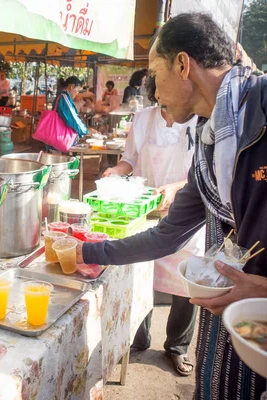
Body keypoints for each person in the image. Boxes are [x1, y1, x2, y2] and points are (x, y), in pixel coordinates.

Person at [77, 13, 267, 399]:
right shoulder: (208, 146)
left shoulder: (261, 110)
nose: (154, 89)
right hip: (240, 329)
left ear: (182, 65)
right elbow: (166, 236)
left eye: (155, 74)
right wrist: (85, 250)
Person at [103, 76, 203, 376]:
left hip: (187, 214)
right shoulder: (143, 118)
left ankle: (177, 347)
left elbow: (205, 171)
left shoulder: (201, 120)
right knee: (142, 274)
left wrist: (175, 188)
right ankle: (138, 338)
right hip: (144, 212)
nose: (165, 100)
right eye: (159, 92)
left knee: (187, 283)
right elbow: (129, 161)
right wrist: (115, 173)